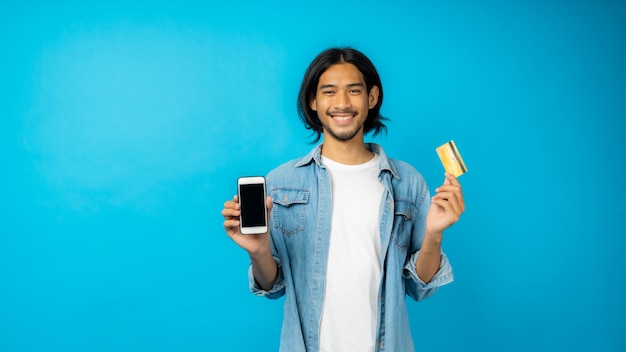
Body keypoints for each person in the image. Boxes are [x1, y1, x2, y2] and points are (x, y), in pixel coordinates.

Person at [222, 47, 465, 352]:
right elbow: (272, 287)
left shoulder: (408, 182)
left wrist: (433, 234)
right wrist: (258, 252)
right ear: (313, 100)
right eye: (329, 92)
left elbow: (420, 288)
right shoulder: (282, 184)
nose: (342, 103)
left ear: (371, 97)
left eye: (354, 91)